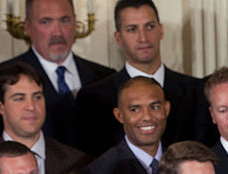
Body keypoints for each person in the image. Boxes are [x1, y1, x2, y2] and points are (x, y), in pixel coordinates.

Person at [74, 0, 205, 156]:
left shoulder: (196, 90)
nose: (143, 38)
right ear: (118, 37)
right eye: (132, 29)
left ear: (161, 30)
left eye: (149, 27)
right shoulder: (94, 98)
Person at [0, 0, 114, 147]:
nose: (57, 32)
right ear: (28, 27)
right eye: (46, 22)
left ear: (75, 22)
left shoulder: (106, 77)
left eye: (64, 20)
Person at [85, 76, 169, 174]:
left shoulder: (184, 161)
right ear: (119, 115)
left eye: (155, 106)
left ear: (166, 109)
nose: (147, 117)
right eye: (135, 109)